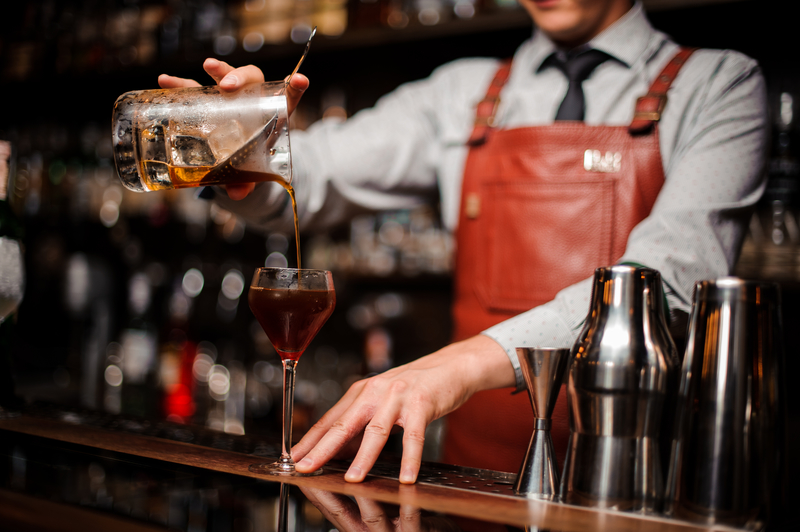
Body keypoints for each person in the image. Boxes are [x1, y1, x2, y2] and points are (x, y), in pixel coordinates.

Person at [159, 0, 767, 484]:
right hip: (471, 474)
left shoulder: (718, 84)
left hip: (630, 477)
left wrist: (453, 366)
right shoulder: (461, 94)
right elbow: (309, 177)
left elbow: (668, 279)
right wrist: (243, 151)